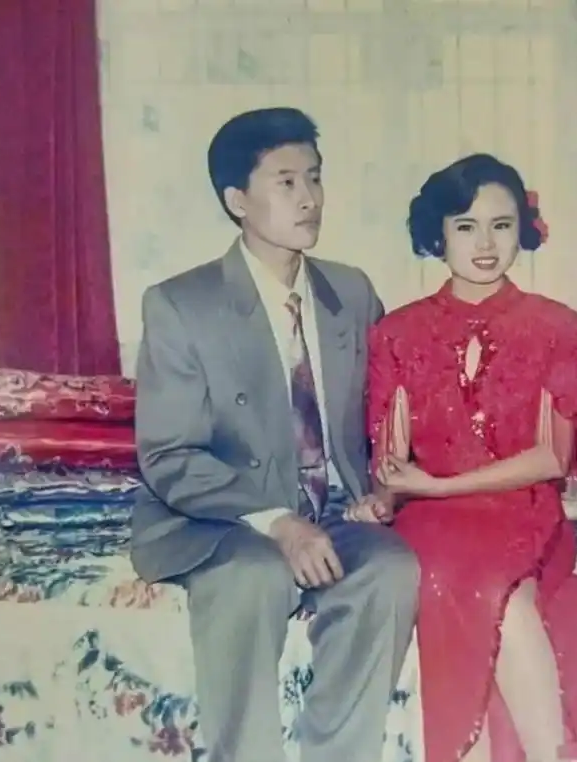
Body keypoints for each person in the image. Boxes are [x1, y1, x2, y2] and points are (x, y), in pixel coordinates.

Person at [131, 107, 420, 762]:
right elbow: (170, 455)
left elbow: (388, 415)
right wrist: (279, 523)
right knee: (253, 577)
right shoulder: (181, 305)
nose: (310, 197)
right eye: (286, 182)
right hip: (223, 517)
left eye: (314, 177)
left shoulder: (350, 291)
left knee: (390, 569)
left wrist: (386, 489)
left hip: (333, 510)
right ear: (238, 200)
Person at [352, 154, 577, 762]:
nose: (485, 244)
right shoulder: (396, 334)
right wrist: (384, 497)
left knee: (498, 585)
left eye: (501, 226)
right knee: (460, 581)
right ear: (438, 234)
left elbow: (552, 458)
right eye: (466, 226)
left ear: (521, 231)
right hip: (432, 521)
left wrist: (434, 486)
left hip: (522, 507)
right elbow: (392, 460)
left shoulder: (556, 327)